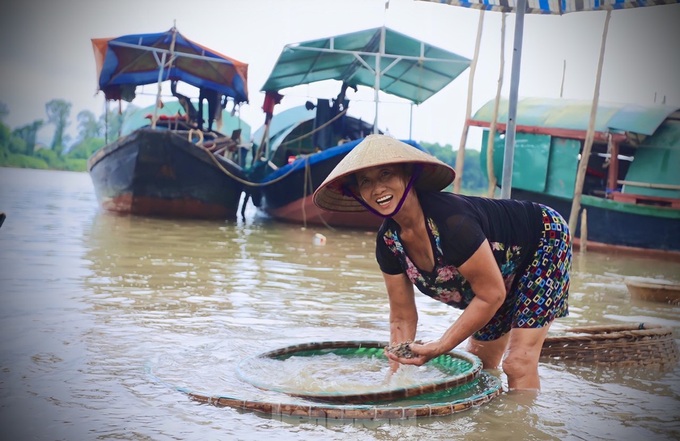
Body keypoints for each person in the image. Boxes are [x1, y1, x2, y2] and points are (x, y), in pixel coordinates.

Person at [312, 134, 572, 391]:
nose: (377, 188)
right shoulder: (389, 242)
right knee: (482, 364)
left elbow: (491, 294)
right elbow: (401, 317)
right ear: (358, 193)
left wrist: (440, 346)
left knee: (517, 363)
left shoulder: (451, 222)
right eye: (365, 182)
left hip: (544, 239)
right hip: (498, 274)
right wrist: (395, 378)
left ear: (407, 175)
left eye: (386, 175)